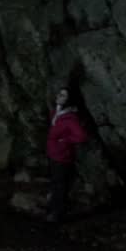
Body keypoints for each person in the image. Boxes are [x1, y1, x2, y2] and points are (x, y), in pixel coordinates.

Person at [45, 87, 88, 223]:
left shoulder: (70, 118)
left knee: (59, 185)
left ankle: (56, 214)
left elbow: (81, 136)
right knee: (55, 183)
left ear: (68, 100)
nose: (59, 96)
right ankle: (52, 209)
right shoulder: (57, 112)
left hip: (62, 156)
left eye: (63, 95)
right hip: (53, 153)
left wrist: (66, 141)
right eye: (60, 93)